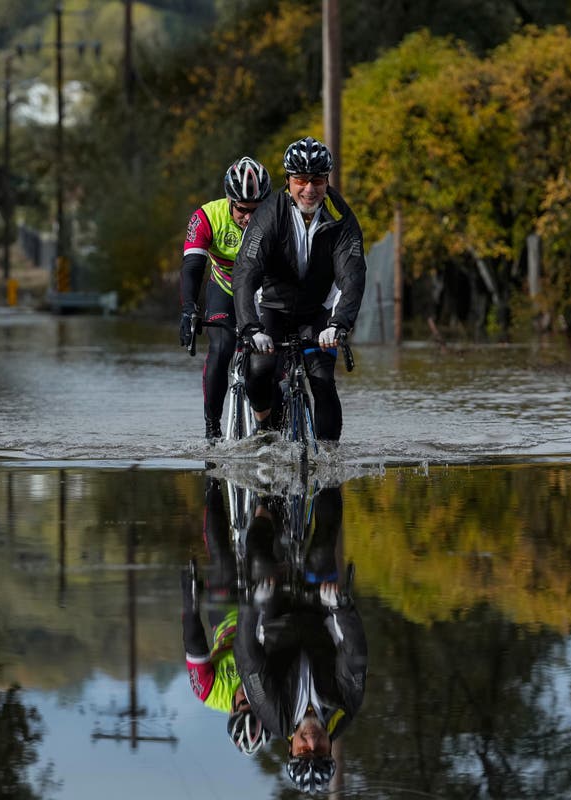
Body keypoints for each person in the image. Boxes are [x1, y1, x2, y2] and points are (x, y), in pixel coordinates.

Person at [233, 485, 367, 794]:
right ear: (329, 748)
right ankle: (328, 467)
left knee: (259, 561)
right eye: (319, 750)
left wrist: (253, 606)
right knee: (321, 552)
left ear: (290, 749)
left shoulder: (272, 714)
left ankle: (265, 499)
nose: (311, 741)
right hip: (319, 614)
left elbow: (248, 657)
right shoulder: (345, 708)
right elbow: (355, 652)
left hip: (275, 619)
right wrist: (341, 607)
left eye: (304, 750)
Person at [232, 137, 367, 441]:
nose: (309, 189)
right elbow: (246, 272)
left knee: (322, 380)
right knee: (260, 367)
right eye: (301, 180)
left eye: (317, 180)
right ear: (288, 181)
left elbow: (353, 275)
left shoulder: (341, 216)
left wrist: (338, 323)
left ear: (327, 180)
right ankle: (265, 426)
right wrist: (251, 328)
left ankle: (329, 468)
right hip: (272, 309)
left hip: (317, 313)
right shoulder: (269, 213)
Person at [179, 156, 272, 440]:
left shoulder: (277, 216)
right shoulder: (207, 217)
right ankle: (213, 429)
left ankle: (271, 425)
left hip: (264, 291)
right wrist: (189, 309)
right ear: (229, 201)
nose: (249, 218)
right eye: (243, 210)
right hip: (226, 289)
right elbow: (193, 266)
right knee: (221, 350)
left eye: (257, 210)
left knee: (273, 359)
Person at [180, 476, 271, 755]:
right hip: (261, 616)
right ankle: (269, 500)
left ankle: (213, 483)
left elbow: (195, 645)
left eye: (242, 704)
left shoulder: (208, 693)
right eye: (253, 704)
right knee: (265, 557)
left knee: (220, 555)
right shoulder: (272, 695)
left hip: (227, 618)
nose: (247, 698)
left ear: (231, 709)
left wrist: (190, 602)